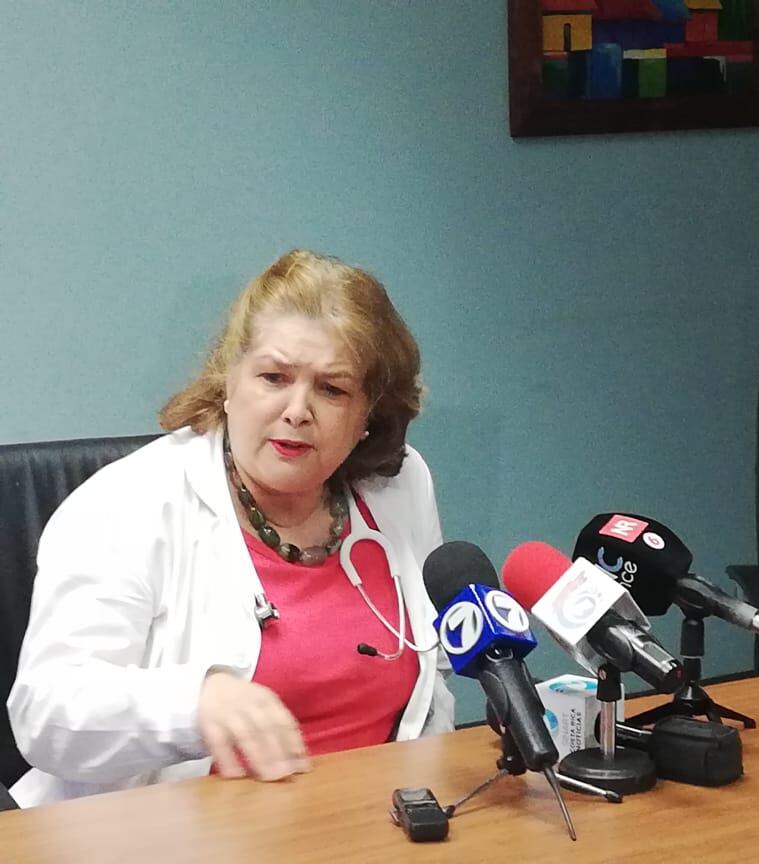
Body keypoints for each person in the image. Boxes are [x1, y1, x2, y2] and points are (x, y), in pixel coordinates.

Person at [7, 250, 454, 806]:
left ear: (368, 415)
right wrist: (195, 702)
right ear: (228, 382)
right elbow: (46, 712)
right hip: (168, 831)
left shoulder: (399, 485)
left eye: (332, 389)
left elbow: (431, 679)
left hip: (369, 821)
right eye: (274, 377)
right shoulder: (125, 504)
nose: (297, 410)